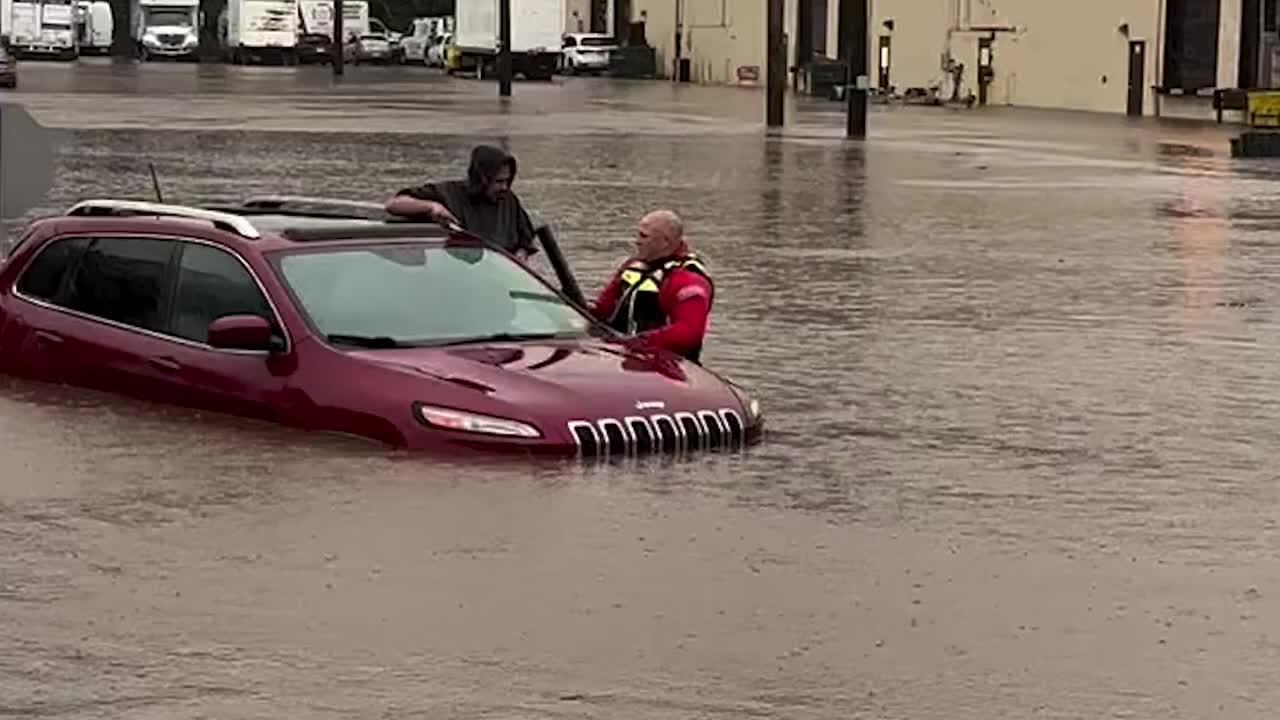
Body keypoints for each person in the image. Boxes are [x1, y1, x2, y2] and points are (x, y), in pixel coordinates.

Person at [590, 209, 714, 363]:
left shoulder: (688, 280)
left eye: (644, 236)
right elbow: (602, 309)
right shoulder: (632, 266)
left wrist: (637, 342)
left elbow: (688, 333)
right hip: (621, 358)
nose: (636, 241)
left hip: (664, 366)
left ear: (665, 242)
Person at [385, 144, 537, 258]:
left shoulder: (509, 201)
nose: (504, 187)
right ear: (482, 179)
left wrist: (521, 254)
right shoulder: (448, 194)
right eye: (498, 181)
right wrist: (432, 207)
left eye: (507, 181)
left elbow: (525, 239)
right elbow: (394, 204)